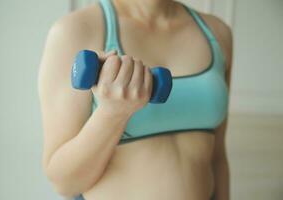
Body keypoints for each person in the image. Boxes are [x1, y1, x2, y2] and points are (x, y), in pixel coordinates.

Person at [38, 0, 233, 199]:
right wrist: (112, 114)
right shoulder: (75, 30)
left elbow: (217, 157)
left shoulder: (218, 32)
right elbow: (65, 183)